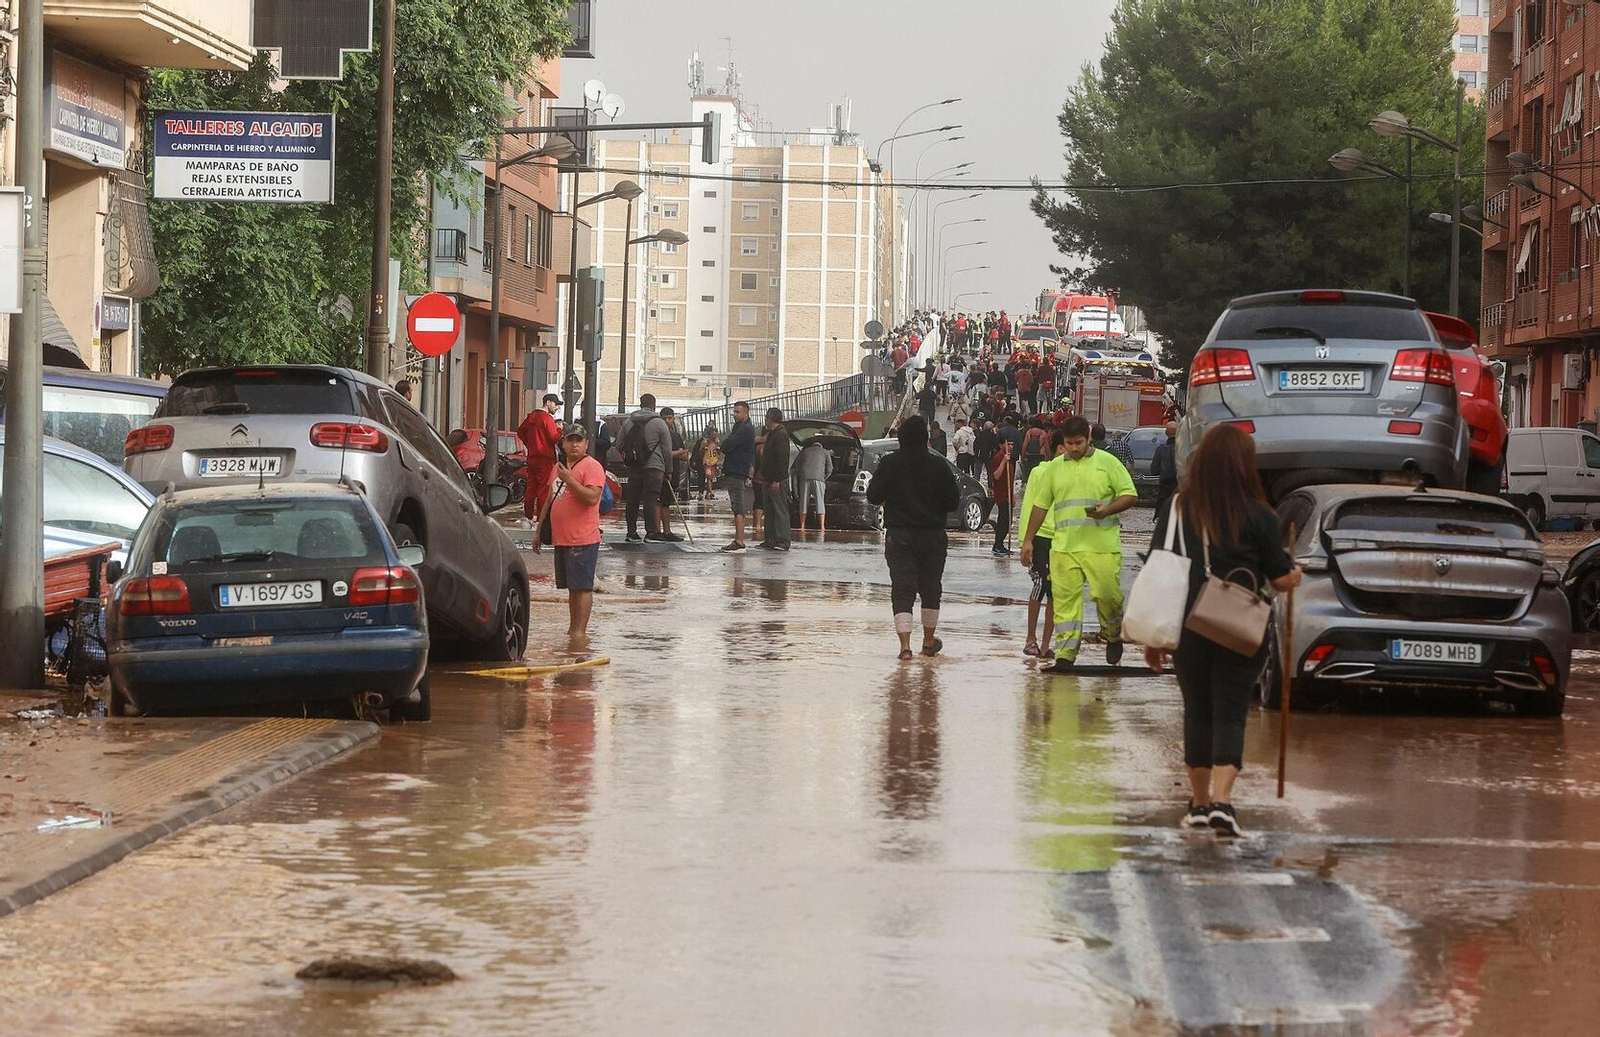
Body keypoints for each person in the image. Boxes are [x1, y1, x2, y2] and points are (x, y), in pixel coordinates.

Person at [1144, 424, 1302, 838]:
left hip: (1187, 624)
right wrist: (1295, 573)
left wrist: (1154, 637)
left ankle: (1197, 805)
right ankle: (1223, 803)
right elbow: (1281, 579)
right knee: (1231, 713)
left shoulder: (1179, 507)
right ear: (1244, 465)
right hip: (1240, 626)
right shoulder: (1259, 514)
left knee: (1196, 711)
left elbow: (1157, 565)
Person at [1020, 416, 1138, 673]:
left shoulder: (1108, 463)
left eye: (1079, 443)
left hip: (1102, 547)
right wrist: (1028, 540)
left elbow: (1129, 494)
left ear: (1088, 438)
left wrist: (1108, 509)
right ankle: (1066, 653)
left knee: (1108, 596)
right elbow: (1040, 506)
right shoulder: (1054, 469)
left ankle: (1113, 634)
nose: (1074, 448)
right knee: (1064, 603)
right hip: (1064, 547)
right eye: (1070, 443)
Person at [865, 416, 961, 661]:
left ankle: (905, 647)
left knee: (902, 590)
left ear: (901, 439)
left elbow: (873, 496)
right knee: (931, 589)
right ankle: (928, 643)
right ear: (926, 439)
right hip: (933, 536)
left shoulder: (890, 463)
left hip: (900, 535)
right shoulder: (939, 466)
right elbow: (953, 502)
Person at [532, 425, 605, 647]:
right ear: (562, 444)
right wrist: (539, 530)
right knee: (572, 587)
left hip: (582, 537)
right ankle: (573, 630)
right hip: (561, 537)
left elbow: (592, 498)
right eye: (570, 440)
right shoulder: (559, 468)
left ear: (586, 444)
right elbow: (548, 499)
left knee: (582, 586)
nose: (574, 444)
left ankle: (580, 634)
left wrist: (571, 480)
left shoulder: (592, 467)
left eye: (579, 440)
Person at [1019, 428, 1067, 659]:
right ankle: (1031, 639)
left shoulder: (1073, 474)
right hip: (1040, 538)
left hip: (1063, 540)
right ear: (1058, 448)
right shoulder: (1041, 472)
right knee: (1039, 584)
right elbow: (1029, 504)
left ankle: (1047, 644)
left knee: (1055, 592)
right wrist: (1025, 540)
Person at [618, 394, 672, 543]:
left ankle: (631, 532)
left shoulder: (628, 422)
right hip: (654, 467)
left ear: (640, 404)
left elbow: (619, 444)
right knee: (651, 498)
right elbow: (667, 449)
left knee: (632, 499)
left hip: (634, 467)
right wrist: (668, 470)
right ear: (654, 405)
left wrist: (630, 457)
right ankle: (651, 532)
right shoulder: (659, 423)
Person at [517, 393, 563, 527]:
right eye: (556, 405)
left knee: (531, 488)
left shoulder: (531, 417)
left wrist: (530, 444)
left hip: (532, 457)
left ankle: (528, 517)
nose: (557, 408)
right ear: (548, 403)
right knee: (543, 489)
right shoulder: (547, 419)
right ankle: (540, 520)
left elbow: (520, 432)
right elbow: (553, 438)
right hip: (545, 458)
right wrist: (559, 429)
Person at [719, 401, 756, 552]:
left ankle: (739, 541)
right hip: (734, 469)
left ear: (746, 412)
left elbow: (728, 444)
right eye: (734, 412)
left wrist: (724, 445)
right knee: (736, 505)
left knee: (738, 505)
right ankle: (738, 539)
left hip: (738, 469)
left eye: (737, 412)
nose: (734, 415)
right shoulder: (739, 427)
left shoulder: (746, 429)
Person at [757, 408, 793, 551]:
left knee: (779, 510)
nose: (765, 420)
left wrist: (777, 480)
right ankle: (770, 539)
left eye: (766, 418)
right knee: (769, 510)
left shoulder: (781, 435)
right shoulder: (773, 434)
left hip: (776, 480)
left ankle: (783, 540)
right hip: (768, 478)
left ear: (771, 419)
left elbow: (782, 459)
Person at [655, 408, 689, 541]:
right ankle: (657, 531)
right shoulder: (658, 435)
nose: (667, 421)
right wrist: (678, 452)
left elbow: (685, 455)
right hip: (660, 472)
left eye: (669, 418)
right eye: (664, 418)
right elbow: (662, 454)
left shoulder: (675, 436)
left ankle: (667, 531)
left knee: (666, 503)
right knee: (658, 502)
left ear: (673, 419)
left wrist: (679, 453)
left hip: (673, 472)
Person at [795, 435, 834, 533]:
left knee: (803, 502)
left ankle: (802, 525)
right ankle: (822, 526)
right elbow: (830, 469)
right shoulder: (825, 452)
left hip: (805, 478)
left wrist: (801, 475)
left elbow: (797, 467)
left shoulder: (804, 451)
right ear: (820, 446)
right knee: (820, 502)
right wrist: (823, 478)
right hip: (819, 479)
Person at [989, 438, 1015, 556]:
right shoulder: (998, 458)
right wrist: (1004, 461)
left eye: (1012, 444)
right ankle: (997, 545)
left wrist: (1013, 496)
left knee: (1008, 522)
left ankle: (1000, 544)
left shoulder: (1010, 460)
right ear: (1001, 445)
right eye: (1008, 444)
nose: (1010, 446)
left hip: (1008, 496)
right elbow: (996, 476)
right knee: (1003, 522)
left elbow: (1011, 480)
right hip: (1002, 496)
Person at [1150, 420, 1180, 515]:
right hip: (1180, 487)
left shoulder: (1160, 449)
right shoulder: (1183, 449)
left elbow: (1154, 470)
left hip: (1164, 489)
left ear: (1166, 433)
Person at [696, 423, 723, 500]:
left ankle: (707, 493)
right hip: (707, 463)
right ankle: (711, 492)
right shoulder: (705, 442)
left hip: (714, 462)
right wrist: (704, 448)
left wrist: (718, 449)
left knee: (711, 478)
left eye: (716, 434)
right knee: (708, 477)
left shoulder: (717, 442)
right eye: (713, 434)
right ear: (710, 434)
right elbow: (700, 452)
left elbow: (719, 453)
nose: (715, 436)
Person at [972, 420, 998, 489]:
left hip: (979, 455)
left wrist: (976, 452)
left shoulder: (980, 434)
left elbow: (975, 444)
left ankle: (976, 485)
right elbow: (995, 447)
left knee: (977, 471)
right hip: (989, 456)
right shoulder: (993, 436)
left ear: (984, 426)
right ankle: (990, 486)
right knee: (989, 472)